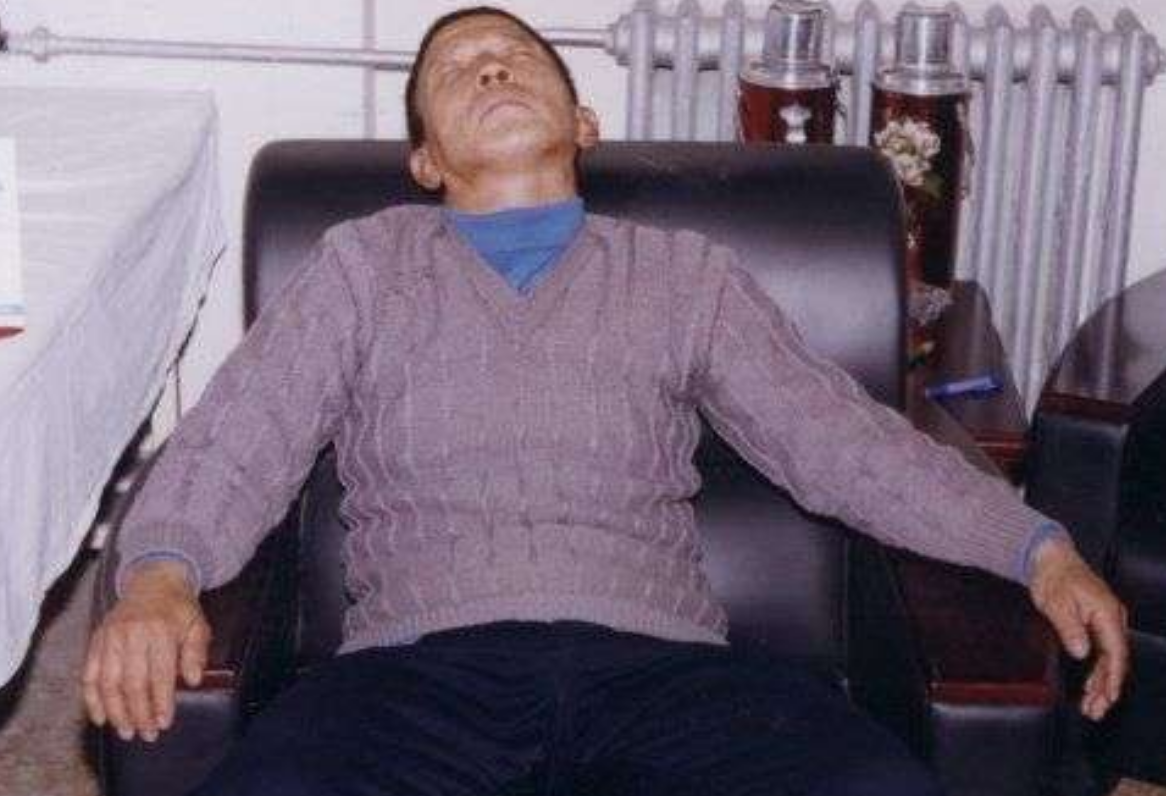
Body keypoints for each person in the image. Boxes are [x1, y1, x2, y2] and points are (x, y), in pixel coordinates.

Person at [82, 6, 1130, 795]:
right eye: (454, 69)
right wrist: (161, 574)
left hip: (664, 673)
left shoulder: (683, 276)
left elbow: (843, 444)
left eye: (516, 57)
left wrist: (1034, 548)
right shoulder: (362, 267)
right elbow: (243, 431)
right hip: (413, 677)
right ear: (426, 161)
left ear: (582, 121)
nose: (490, 66)